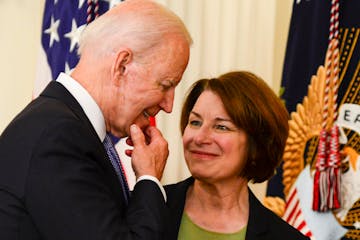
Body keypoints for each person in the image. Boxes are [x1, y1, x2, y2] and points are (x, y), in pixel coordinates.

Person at [0, 0, 192, 239]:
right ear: (122, 65)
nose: (169, 105)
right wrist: (149, 178)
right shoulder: (59, 137)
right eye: (165, 85)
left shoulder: (69, 127)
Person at [164, 71, 310, 239]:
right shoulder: (149, 207)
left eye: (221, 127)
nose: (199, 137)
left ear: (256, 144)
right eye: (195, 122)